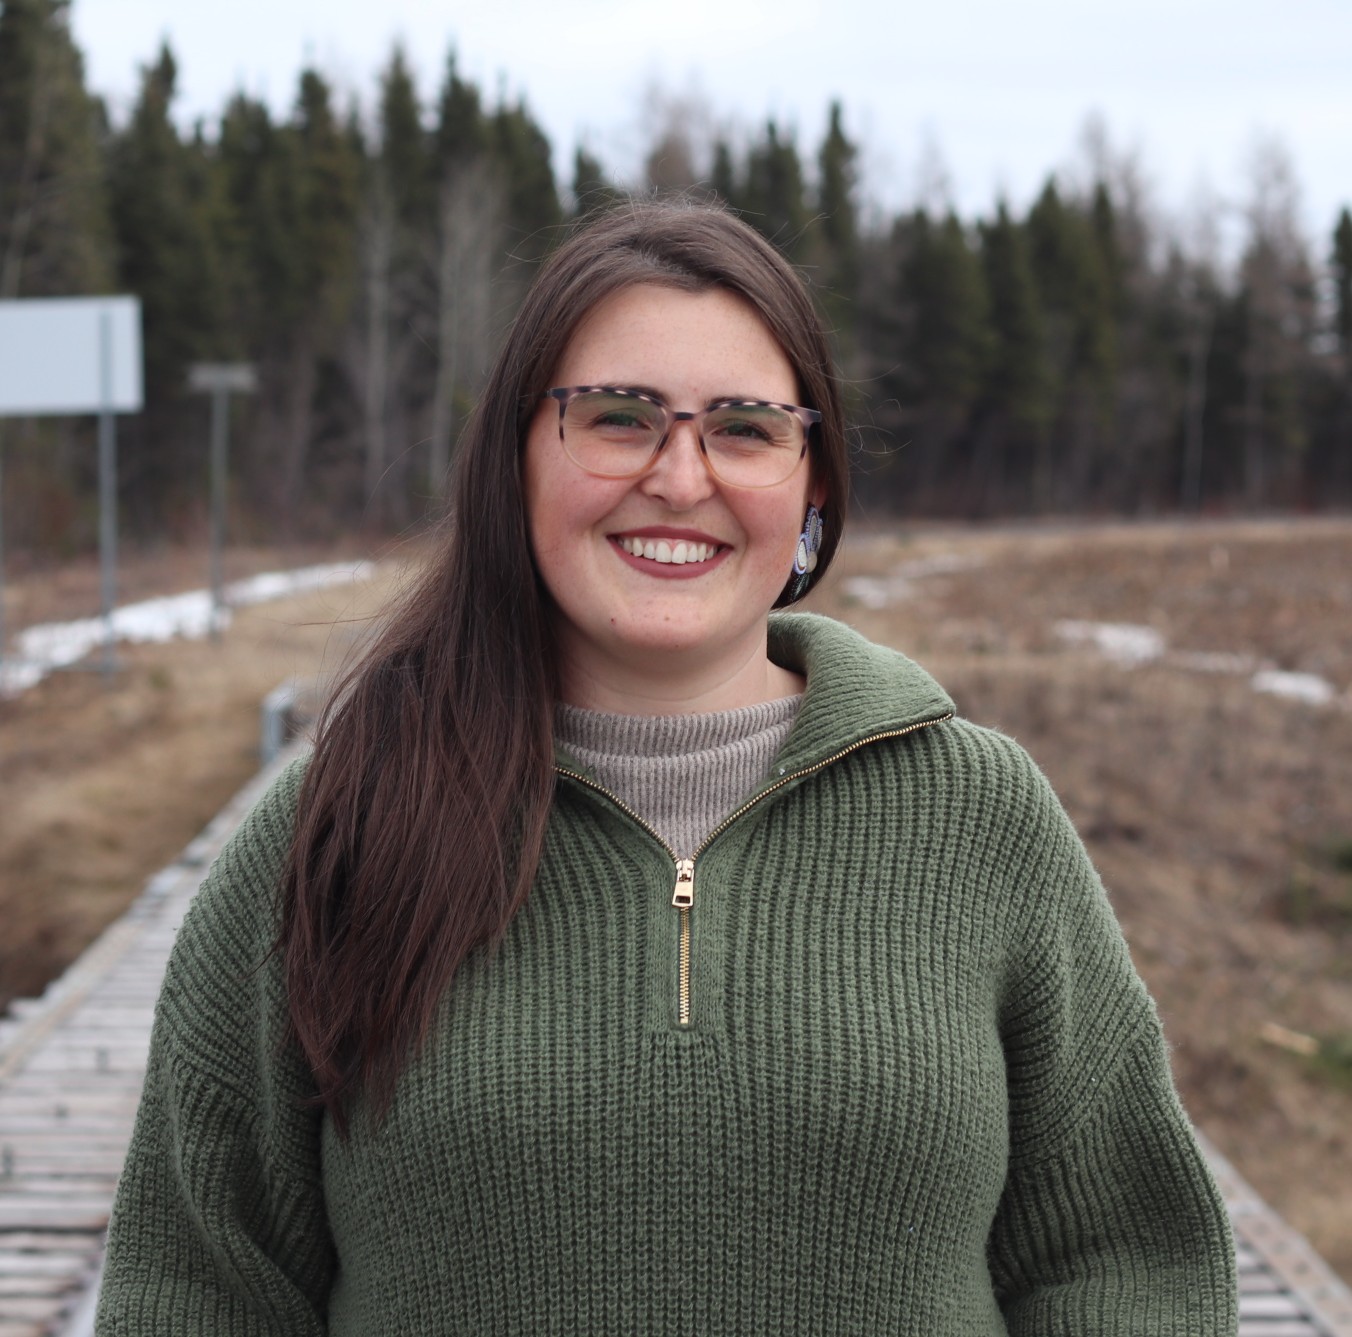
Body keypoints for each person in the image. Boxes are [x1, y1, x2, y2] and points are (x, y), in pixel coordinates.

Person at [97, 200, 1238, 1335]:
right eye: (616, 417)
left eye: (743, 428)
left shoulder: (978, 816)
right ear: (516, 456)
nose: (680, 477)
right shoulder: (336, 826)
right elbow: (195, 1286)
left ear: (813, 485)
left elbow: (1125, 1265)